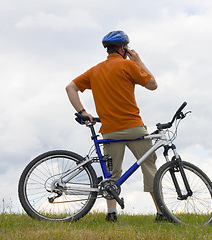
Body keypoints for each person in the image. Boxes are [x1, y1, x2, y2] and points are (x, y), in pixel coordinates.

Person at [66, 30, 165, 222]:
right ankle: (162, 213)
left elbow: (70, 87)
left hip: (110, 129)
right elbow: (153, 84)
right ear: (123, 48)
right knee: (149, 166)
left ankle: (111, 215)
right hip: (134, 127)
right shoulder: (128, 65)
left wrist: (82, 112)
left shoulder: (95, 70)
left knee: (111, 173)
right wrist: (138, 61)